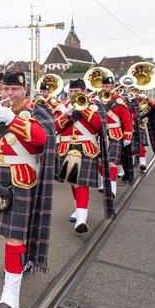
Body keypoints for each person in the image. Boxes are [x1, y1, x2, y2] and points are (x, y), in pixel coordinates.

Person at [0, 71, 55, 308]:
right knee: (9, 232)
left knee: (14, 236)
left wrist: (13, 119)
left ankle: (10, 292)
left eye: (14, 90)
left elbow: (41, 139)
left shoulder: (36, 111)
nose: (9, 94)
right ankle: (22, 260)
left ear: (24, 89)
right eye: (5, 89)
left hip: (21, 178)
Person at [55, 79, 105, 232]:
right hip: (67, 147)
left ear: (84, 92)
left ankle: (82, 220)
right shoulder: (63, 107)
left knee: (81, 183)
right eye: (71, 92)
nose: (73, 94)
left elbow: (99, 126)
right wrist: (67, 113)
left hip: (86, 147)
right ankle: (79, 209)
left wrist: (84, 109)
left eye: (76, 92)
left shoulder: (94, 106)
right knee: (73, 182)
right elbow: (54, 127)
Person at [100, 76, 133, 195]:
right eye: (103, 86)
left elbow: (127, 119)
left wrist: (127, 136)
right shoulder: (97, 99)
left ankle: (112, 187)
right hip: (100, 134)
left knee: (112, 161)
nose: (105, 88)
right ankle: (105, 181)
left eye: (107, 86)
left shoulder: (118, 100)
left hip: (115, 134)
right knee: (100, 161)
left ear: (113, 87)